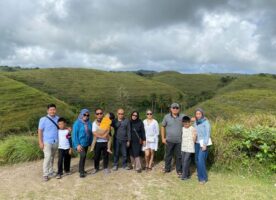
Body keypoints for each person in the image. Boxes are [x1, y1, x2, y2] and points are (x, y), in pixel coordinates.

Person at [161, 103, 185, 175]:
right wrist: (163, 138)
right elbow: (162, 127)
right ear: (171, 109)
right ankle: (167, 168)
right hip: (169, 140)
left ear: (179, 109)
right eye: (173, 108)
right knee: (168, 155)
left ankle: (179, 170)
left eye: (177, 108)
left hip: (179, 141)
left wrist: (201, 118)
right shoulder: (166, 117)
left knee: (179, 156)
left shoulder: (182, 116)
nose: (175, 109)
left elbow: (190, 119)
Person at [38, 104, 59, 182]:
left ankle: (51, 171)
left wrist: (68, 128)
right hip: (46, 141)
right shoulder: (43, 119)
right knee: (48, 157)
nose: (52, 111)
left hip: (56, 141)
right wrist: (40, 142)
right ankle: (45, 174)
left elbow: (61, 127)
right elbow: (40, 131)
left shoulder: (58, 118)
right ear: (48, 111)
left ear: (55, 110)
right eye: (51, 110)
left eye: (54, 109)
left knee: (52, 157)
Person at [72, 109, 93, 178]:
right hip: (79, 144)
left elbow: (91, 133)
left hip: (86, 143)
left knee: (83, 157)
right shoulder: (77, 123)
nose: (86, 116)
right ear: (81, 114)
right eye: (84, 114)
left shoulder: (89, 122)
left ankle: (82, 169)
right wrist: (77, 145)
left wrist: (91, 142)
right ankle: (81, 172)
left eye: (87, 115)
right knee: (83, 156)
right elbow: (74, 135)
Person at [91, 108, 111, 174]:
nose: (99, 115)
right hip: (97, 142)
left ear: (103, 114)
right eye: (97, 114)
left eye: (100, 113)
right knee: (96, 156)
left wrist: (101, 133)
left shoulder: (106, 121)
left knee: (106, 156)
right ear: (95, 115)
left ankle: (105, 168)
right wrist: (102, 136)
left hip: (105, 142)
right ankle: (96, 168)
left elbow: (108, 130)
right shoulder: (94, 123)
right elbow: (94, 133)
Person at [194, 108, 211, 184]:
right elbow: (194, 132)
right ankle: (199, 173)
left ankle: (203, 178)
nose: (198, 115)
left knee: (201, 160)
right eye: (197, 114)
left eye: (199, 114)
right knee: (197, 160)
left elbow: (207, 134)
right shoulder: (195, 122)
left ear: (202, 114)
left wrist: (205, 144)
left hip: (203, 144)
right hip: (196, 143)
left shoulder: (206, 122)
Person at [181, 116, 197, 180]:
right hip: (183, 147)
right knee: (183, 161)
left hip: (190, 147)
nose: (186, 124)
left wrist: (195, 136)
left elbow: (194, 139)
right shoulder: (182, 129)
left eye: (187, 123)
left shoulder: (192, 128)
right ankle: (187, 174)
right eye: (184, 123)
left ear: (190, 122)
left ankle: (184, 176)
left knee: (186, 161)